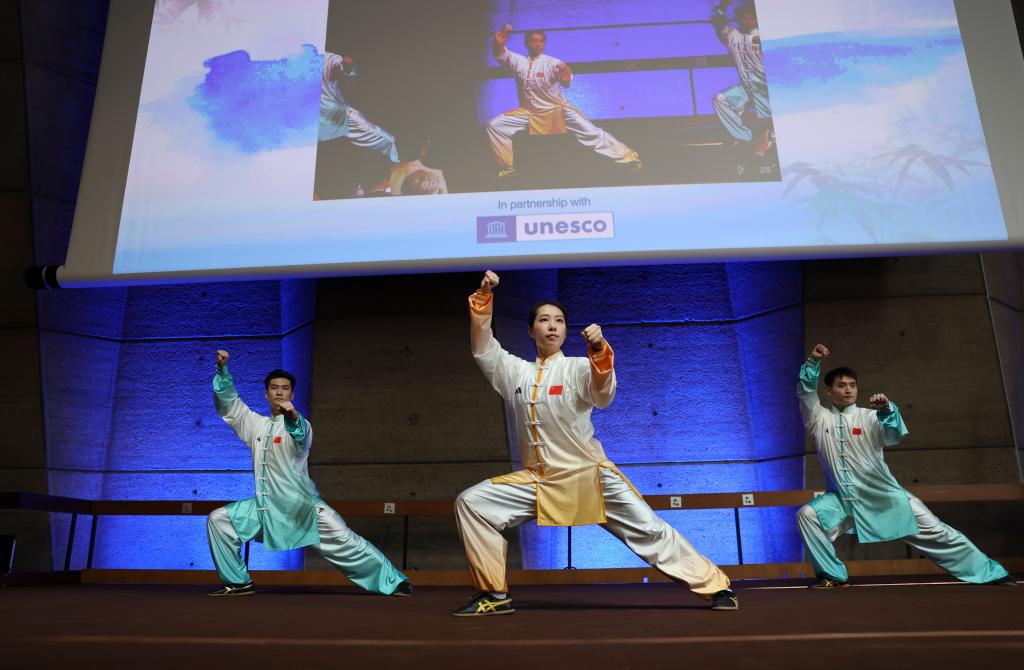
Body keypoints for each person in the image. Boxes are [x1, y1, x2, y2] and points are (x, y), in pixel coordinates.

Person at [452, 271, 737, 616]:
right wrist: (483, 299)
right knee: (472, 503)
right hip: (539, 481)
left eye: (559, 321)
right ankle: (494, 594)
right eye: (544, 320)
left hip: (589, 476)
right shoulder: (515, 372)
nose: (552, 326)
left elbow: (604, 395)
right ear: (531, 330)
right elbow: (484, 349)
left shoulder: (578, 367)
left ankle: (716, 586)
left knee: (649, 530)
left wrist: (600, 350)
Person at [796, 344, 1014, 588]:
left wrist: (887, 410)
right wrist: (813, 362)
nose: (848, 389)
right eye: (841, 385)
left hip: (885, 498)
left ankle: (992, 573)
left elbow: (895, 434)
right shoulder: (818, 419)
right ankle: (833, 575)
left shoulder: (870, 416)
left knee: (939, 533)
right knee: (808, 515)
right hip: (842, 501)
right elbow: (805, 392)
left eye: (852, 385)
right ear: (828, 391)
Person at [206, 350, 411, 597]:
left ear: (292, 395)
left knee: (346, 542)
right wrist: (222, 371)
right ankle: (238, 582)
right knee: (219, 520)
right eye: (274, 388)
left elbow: (300, 435)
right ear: (266, 394)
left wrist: (293, 417)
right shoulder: (255, 425)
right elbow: (230, 406)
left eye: (285, 388)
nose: (279, 392)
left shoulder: (301, 425)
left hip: (302, 509)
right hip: (266, 509)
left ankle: (393, 581)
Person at [485, 25, 641, 178]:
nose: (537, 44)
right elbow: (500, 53)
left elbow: (566, 81)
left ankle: (628, 157)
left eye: (541, 41)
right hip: (529, 112)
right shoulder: (518, 61)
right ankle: (508, 169)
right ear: (526, 43)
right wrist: (500, 39)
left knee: (592, 133)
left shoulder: (553, 63)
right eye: (533, 41)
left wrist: (565, 72)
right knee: (495, 125)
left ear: (544, 43)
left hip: (557, 111)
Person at [710, 1, 774, 157]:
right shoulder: (733, 35)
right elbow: (718, 21)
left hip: (765, 88)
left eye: (752, 18)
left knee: (767, 124)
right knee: (720, 99)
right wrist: (722, 6)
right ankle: (747, 137)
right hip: (746, 87)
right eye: (745, 18)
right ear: (739, 20)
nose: (748, 21)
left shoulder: (764, 36)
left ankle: (768, 139)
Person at [319, 52, 399, 164]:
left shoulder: (327, 59)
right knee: (387, 140)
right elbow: (346, 75)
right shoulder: (331, 61)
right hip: (331, 116)